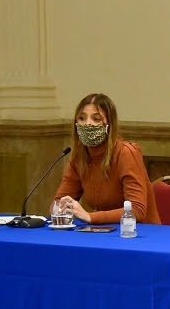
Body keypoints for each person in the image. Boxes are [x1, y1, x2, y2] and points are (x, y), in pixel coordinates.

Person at [53, 93, 161, 225]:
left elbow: (137, 210)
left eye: (96, 119)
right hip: (104, 230)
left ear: (109, 125)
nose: (87, 124)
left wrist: (90, 217)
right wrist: (60, 209)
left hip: (139, 231)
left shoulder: (125, 153)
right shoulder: (79, 156)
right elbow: (58, 202)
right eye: (82, 118)